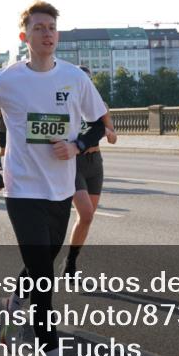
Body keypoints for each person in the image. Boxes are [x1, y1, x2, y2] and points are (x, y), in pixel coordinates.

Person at [0, 0, 107, 356]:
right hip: (22, 190)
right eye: (39, 27)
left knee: (40, 262)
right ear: (24, 36)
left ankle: (11, 304)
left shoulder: (75, 78)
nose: (47, 33)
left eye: (52, 28)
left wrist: (78, 144)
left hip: (60, 191)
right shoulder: (6, 79)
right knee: (45, 279)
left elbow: (99, 123)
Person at [63, 66, 118, 276]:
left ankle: (71, 261)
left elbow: (112, 134)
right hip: (74, 163)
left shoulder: (100, 105)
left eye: (88, 81)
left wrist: (109, 134)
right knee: (85, 212)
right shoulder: (65, 105)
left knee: (87, 218)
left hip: (95, 163)